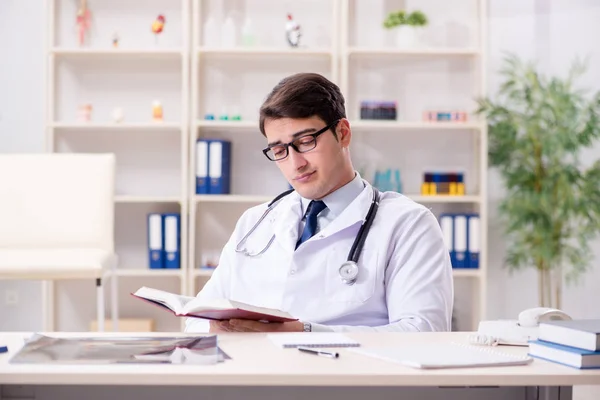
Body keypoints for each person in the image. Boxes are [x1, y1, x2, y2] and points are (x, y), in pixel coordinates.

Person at [185, 72, 453, 333]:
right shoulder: (255, 222)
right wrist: (218, 327)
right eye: (279, 150)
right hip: (256, 374)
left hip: (344, 377)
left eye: (305, 141)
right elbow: (195, 319)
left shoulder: (408, 224)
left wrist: (307, 332)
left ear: (343, 133)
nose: (295, 164)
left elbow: (424, 331)